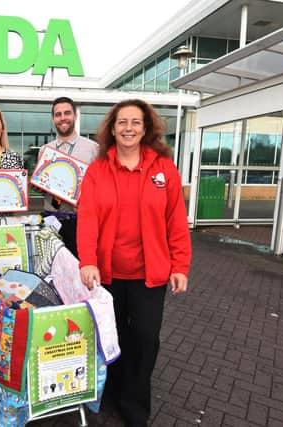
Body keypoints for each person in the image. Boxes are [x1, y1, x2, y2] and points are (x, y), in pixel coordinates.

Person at [77, 99, 191, 427]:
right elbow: (88, 220)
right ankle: (111, 392)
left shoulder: (163, 169)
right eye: (122, 122)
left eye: (135, 122)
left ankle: (135, 405)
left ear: (146, 129)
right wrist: (88, 261)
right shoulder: (97, 170)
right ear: (112, 129)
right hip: (108, 274)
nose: (128, 128)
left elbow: (176, 221)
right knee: (112, 337)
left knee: (144, 338)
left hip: (149, 275)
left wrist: (180, 265)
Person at [39, 96, 97, 257]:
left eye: (67, 113)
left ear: (75, 116)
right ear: (53, 119)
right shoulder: (44, 150)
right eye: (58, 114)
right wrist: (38, 186)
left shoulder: (93, 149)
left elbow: (100, 187)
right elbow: (43, 185)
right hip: (51, 220)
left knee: (79, 269)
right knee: (50, 268)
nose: (63, 118)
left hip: (80, 222)